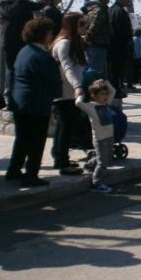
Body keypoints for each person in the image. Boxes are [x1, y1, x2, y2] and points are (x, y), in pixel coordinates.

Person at [7, 18, 62, 187]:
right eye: (50, 33)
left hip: (20, 102)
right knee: (37, 141)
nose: (51, 35)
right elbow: (53, 85)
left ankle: (14, 170)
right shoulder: (44, 57)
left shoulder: (24, 51)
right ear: (44, 35)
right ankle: (31, 174)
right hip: (37, 103)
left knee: (22, 139)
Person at [50, 12, 87, 175]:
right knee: (65, 127)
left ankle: (60, 156)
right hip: (65, 92)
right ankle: (61, 161)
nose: (84, 27)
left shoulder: (73, 42)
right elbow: (67, 68)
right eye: (81, 24)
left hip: (69, 91)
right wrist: (77, 86)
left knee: (63, 127)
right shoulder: (64, 43)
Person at [75, 79, 117, 193]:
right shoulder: (91, 106)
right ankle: (97, 183)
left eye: (105, 94)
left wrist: (106, 82)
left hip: (109, 136)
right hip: (100, 138)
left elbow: (113, 91)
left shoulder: (106, 104)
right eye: (102, 94)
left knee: (107, 159)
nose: (105, 96)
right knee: (102, 162)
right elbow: (78, 103)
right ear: (94, 95)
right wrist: (80, 94)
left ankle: (89, 164)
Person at [108, 0, 133, 96]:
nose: (128, 2)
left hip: (112, 45)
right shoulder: (120, 11)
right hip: (118, 46)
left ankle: (114, 88)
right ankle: (115, 89)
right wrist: (128, 40)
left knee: (113, 70)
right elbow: (123, 30)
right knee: (116, 69)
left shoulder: (111, 10)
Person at [83, 0, 112, 75]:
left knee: (91, 70)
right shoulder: (101, 10)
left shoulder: (91, 9)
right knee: (95, 73)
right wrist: (86, 39)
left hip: (92, 45)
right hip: (98, 45)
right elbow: (94, 27)